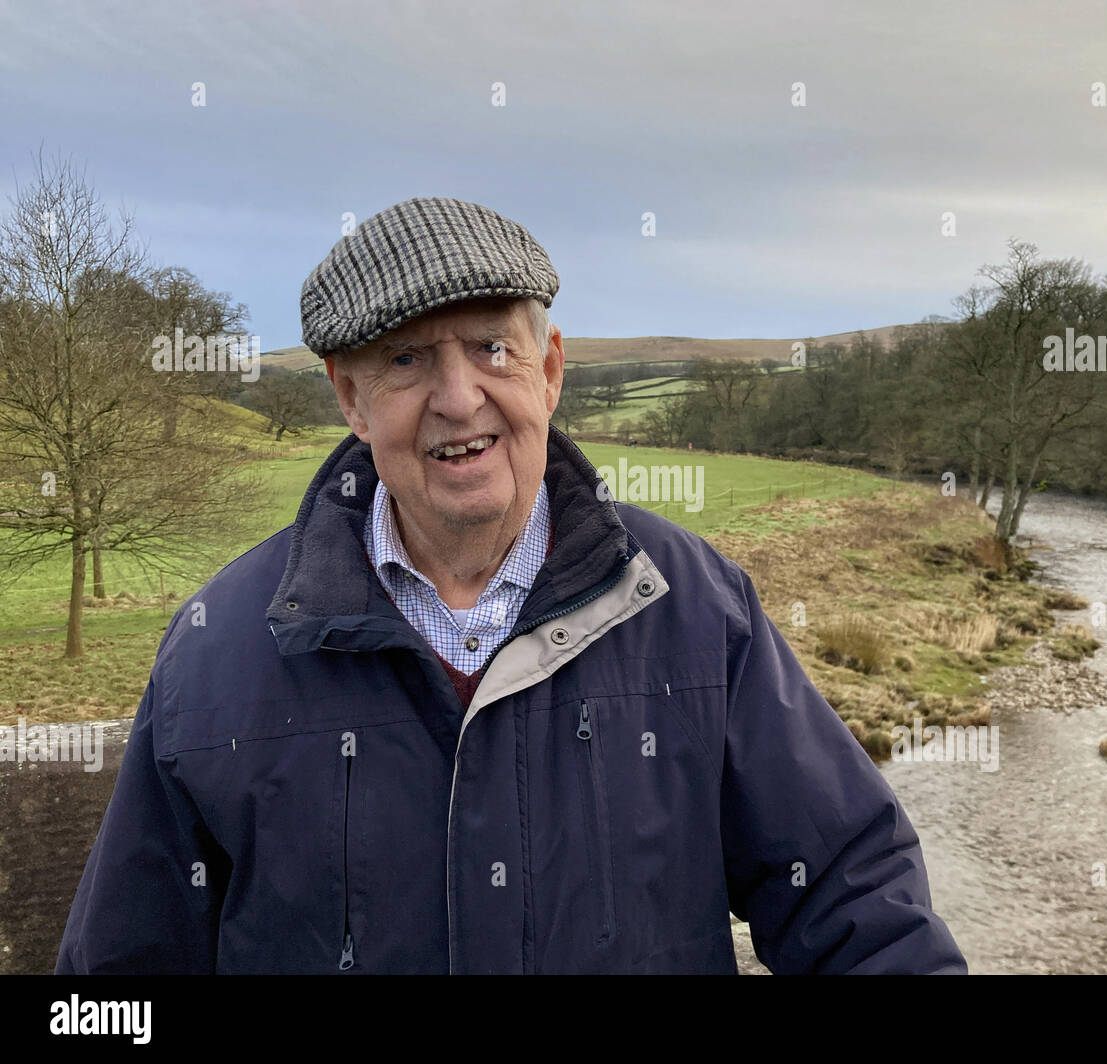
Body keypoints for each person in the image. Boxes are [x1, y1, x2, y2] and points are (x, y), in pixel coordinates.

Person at [55, 197, 966, 974]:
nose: (459, 398)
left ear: (552, 369)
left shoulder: (692, 605)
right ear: (349, 397)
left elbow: (855, 895)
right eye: (407, 360)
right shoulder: (220, 650)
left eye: (493, 347)